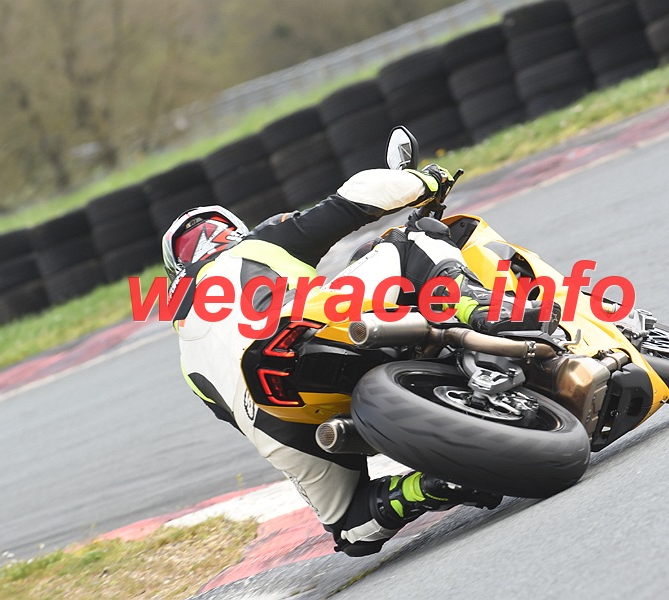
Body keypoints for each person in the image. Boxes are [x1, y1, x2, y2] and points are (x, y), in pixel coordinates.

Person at [162, 165, 551, 556]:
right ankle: (486, 310)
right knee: (414, 238)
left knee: (350, 526)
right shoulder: (254, 245)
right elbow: (357, 197)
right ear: (230, 231)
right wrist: (428, 181)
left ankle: (429, 486)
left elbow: (234, 415)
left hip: (276, 414)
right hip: (299, 329)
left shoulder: (186, 361)